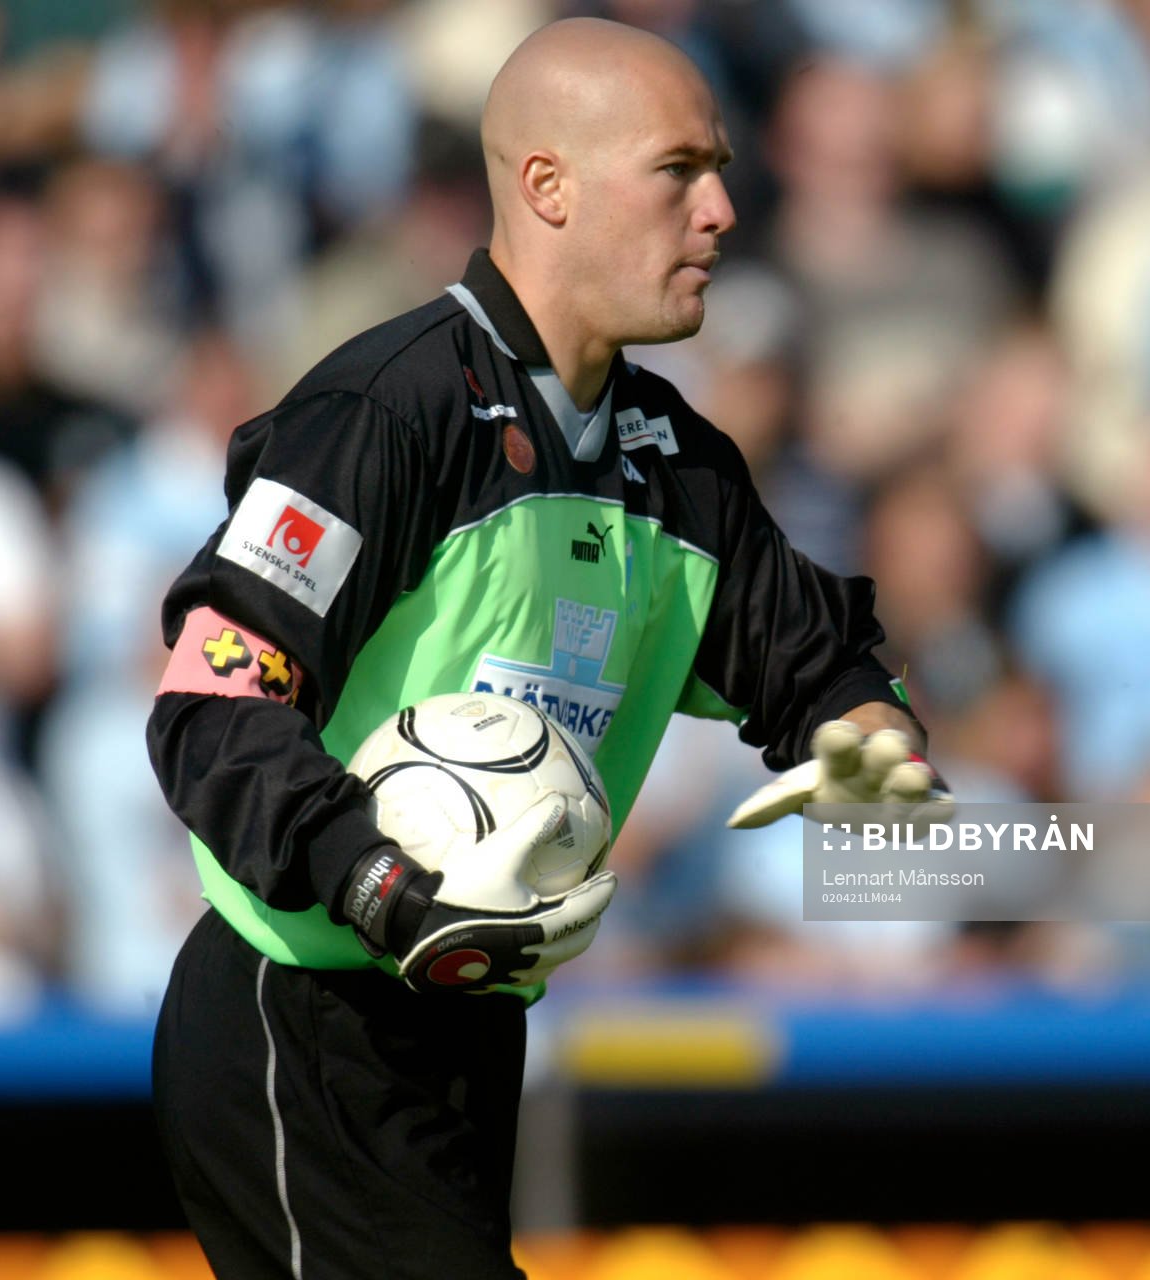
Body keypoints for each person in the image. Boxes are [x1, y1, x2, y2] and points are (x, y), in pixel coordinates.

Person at [146, 17, 945, 1279]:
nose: (724, 210)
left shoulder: (675, 465)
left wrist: (870, 737)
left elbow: (813, 660)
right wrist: (376, 882)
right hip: (302, 1013)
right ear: (547, 186)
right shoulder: (382, 411)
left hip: (467, 1031)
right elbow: (208, 705)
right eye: (679, 170)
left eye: (721, 168)